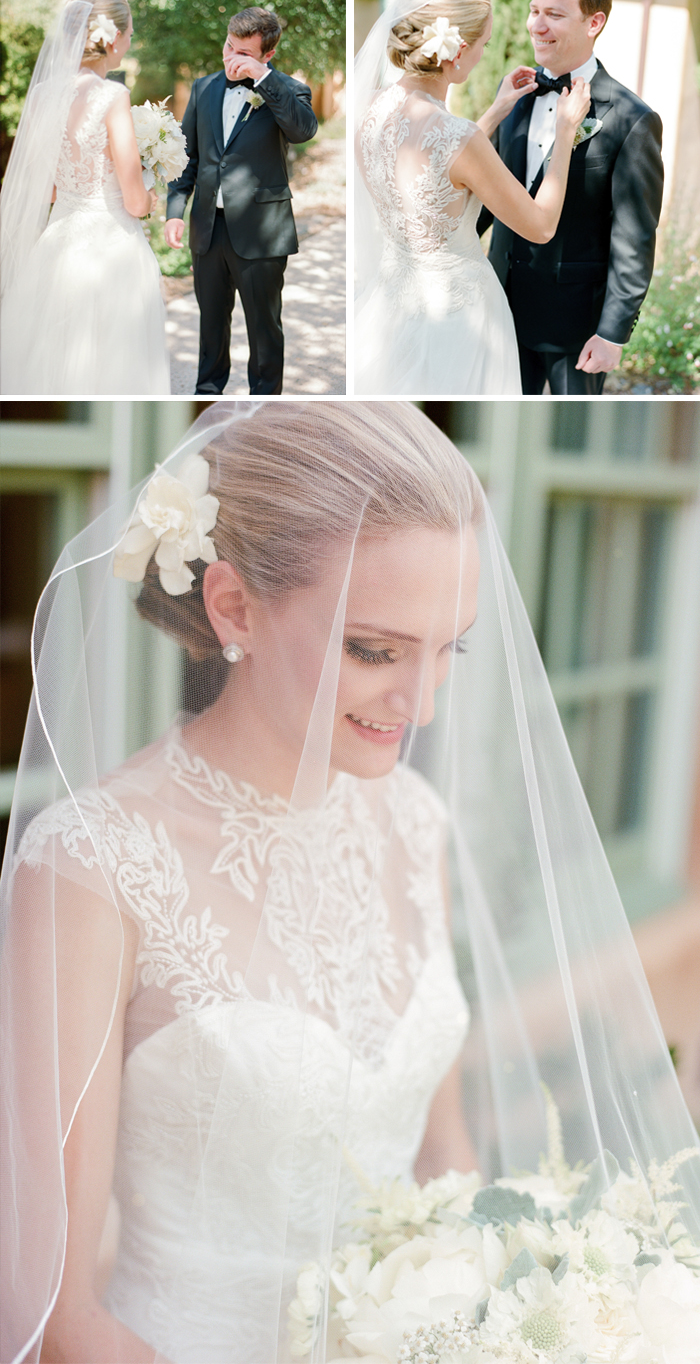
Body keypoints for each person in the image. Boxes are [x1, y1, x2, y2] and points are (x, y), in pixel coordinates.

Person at [2, 401, 699, 1364]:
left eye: (448, 648)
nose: (419, 702)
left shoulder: (416, 824)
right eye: (375, 650)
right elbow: (56, 1319)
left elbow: (441, 1156)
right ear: (234, 606)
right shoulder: (92, 866)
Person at [354, 0, 591, 396]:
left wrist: (496, 110)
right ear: (457, 51)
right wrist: (565, 132)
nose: (483, 55)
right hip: (457, 316)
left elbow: (435, 168)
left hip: (390, 306)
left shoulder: (370, 110)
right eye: (482, 46)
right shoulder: (458, 136)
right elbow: (539, 225)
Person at [479, 0, 664, 396]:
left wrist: (613, 333)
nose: (536, 27)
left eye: (554, 15)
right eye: (533, 11)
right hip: (499, 309)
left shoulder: (632, 119)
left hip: (577, 329)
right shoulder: (517, 96)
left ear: (594, 22)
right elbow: (494, 197)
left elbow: (634, 236)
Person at [0, 0, 170, 397]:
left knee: (50, 356)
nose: (129, 41)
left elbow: (49, 189)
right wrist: (153, 191)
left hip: (58, 242)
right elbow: (133, 201)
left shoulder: (42, 95)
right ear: (114, 39)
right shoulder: (112, 96)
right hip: (112, 246)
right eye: (129, 33)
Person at [165, 8, 318, 396]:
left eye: (243, 54)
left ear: (266, 55)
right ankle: (207, 395)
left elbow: (302, 130)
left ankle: (265, 406)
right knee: (210, 327)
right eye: (228, 47)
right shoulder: (203, 89)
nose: (231, 59)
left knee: (264, 329)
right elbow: (187, 157)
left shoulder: (289, 90)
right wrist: (175, 212)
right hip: (208, 231)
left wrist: (262, 80)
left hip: (261, 233)